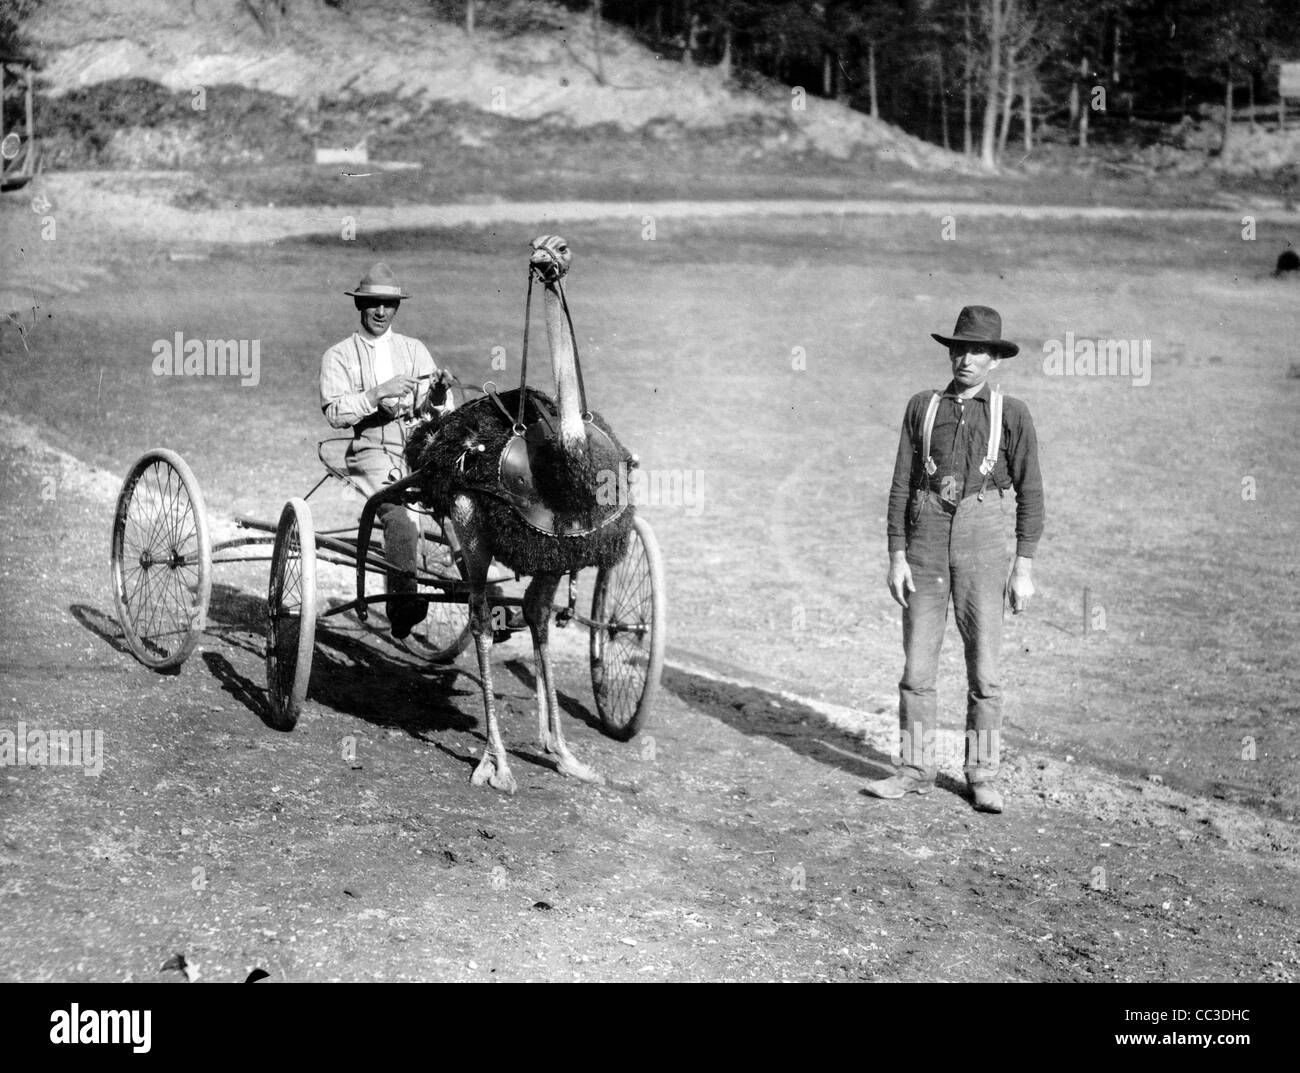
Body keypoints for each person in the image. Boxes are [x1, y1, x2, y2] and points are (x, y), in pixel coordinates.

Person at [869, 305, 1043, 814]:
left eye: (979, 351)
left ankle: (982, 775)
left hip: (983, 540)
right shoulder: (922, 407)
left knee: (985, 672)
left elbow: (1031, 493)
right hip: (924, 539)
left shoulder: (1011, 413)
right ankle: (915, 769)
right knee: (916, 668)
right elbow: (901, 483)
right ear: (949, 352)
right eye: (960, 348)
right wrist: (896, 555)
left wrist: (1024, 566)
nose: (967, 359)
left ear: (995, 360)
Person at [319, 262, 455, 638]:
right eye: (373, 303)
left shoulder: (414, 350)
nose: (380, 312)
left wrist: (440, 392)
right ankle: (402, 607)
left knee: (461, 503)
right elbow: (334, 411)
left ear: (397, 308)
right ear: (359, 306)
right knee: (399, 519)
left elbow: (436, 410)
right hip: (372, 450)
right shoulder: (340, 355)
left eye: (388, 305)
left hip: (416, 445)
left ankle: (488, 603)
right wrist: (377, 394)